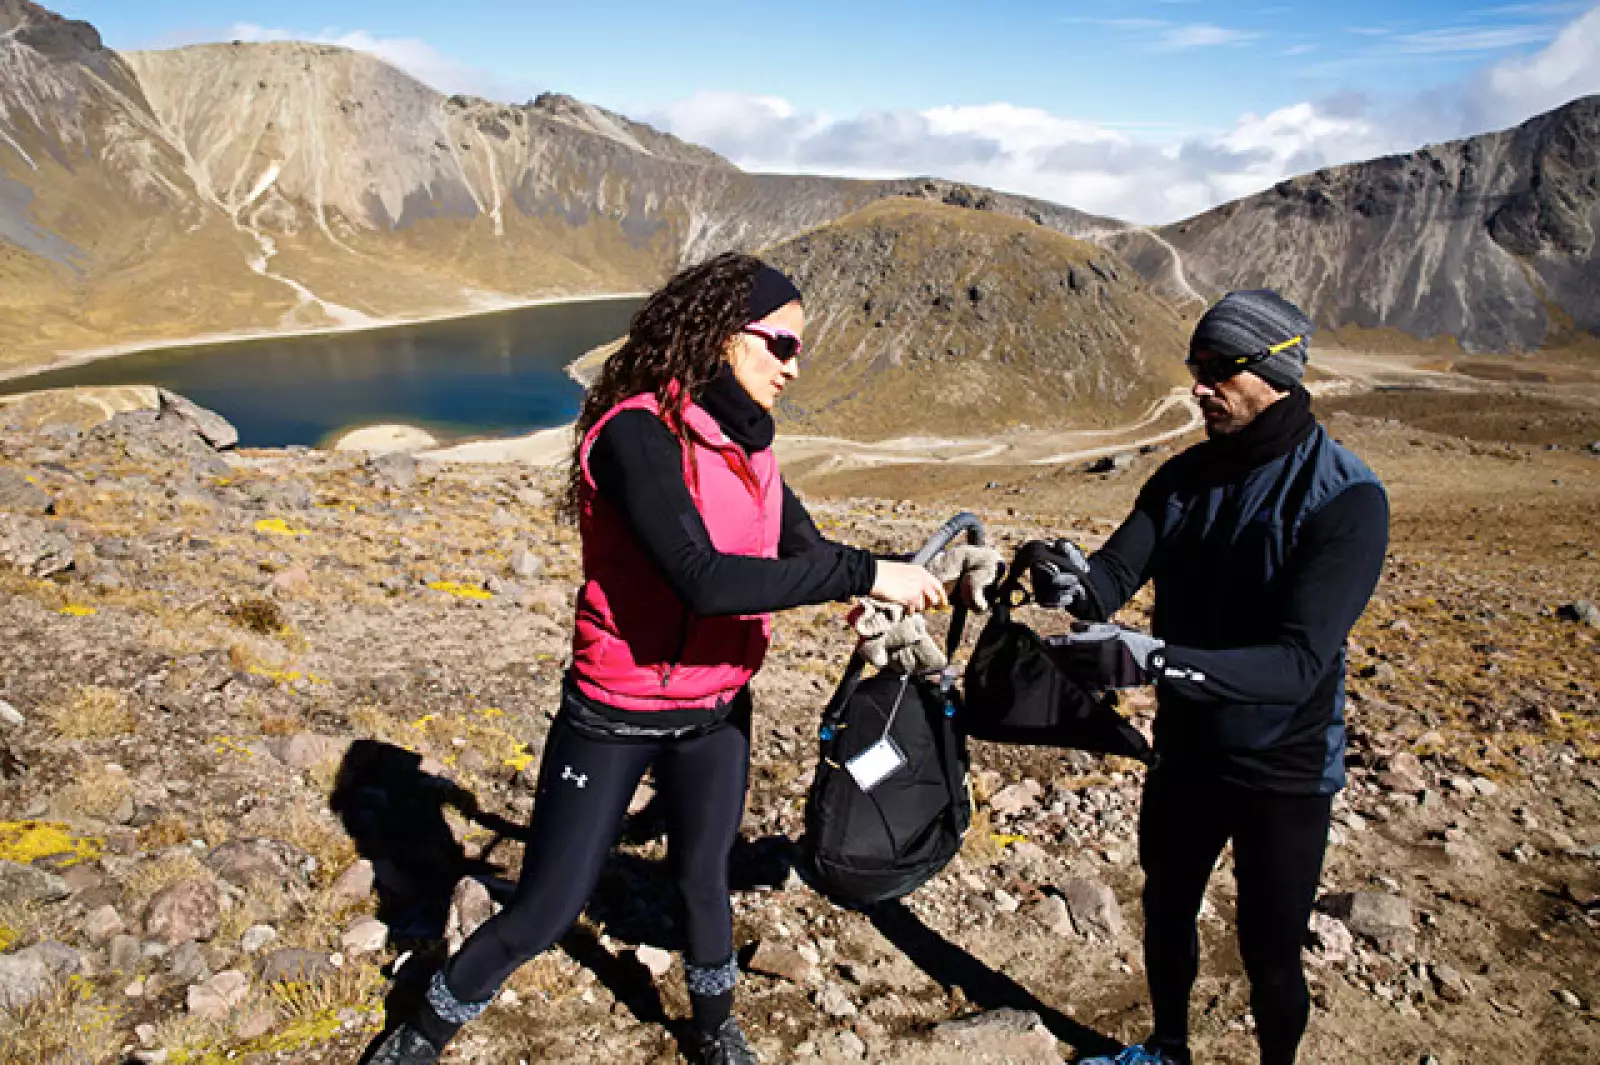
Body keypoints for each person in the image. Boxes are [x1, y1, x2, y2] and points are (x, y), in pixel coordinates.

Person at [364, 253, 976, 1065]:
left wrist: (883, 584)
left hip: (716, 709)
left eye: (799, 350)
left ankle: (715, 1026)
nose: (794, 366)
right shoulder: (637, 433)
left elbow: (805, 549)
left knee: (702, 878)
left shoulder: (751, 445)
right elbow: (704, 579)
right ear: (723, 335)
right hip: (615, 712)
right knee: (548, 907)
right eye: (782, 345)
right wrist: (866, 572)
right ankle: (422, 1031)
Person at [1037, 290, 1390, 1065]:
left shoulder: (1346, 498)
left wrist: (1156, 659)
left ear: (1277, 370)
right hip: (1188, 751)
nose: (1199, 387)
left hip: (1285, 764)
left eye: (1219, 369)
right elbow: (1110, 578)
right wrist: (1065, 580)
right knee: (1166, 907)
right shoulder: (1182, 479)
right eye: (1195, 367)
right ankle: (1168, 1049)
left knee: (1269, 950)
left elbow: (1298, 663)